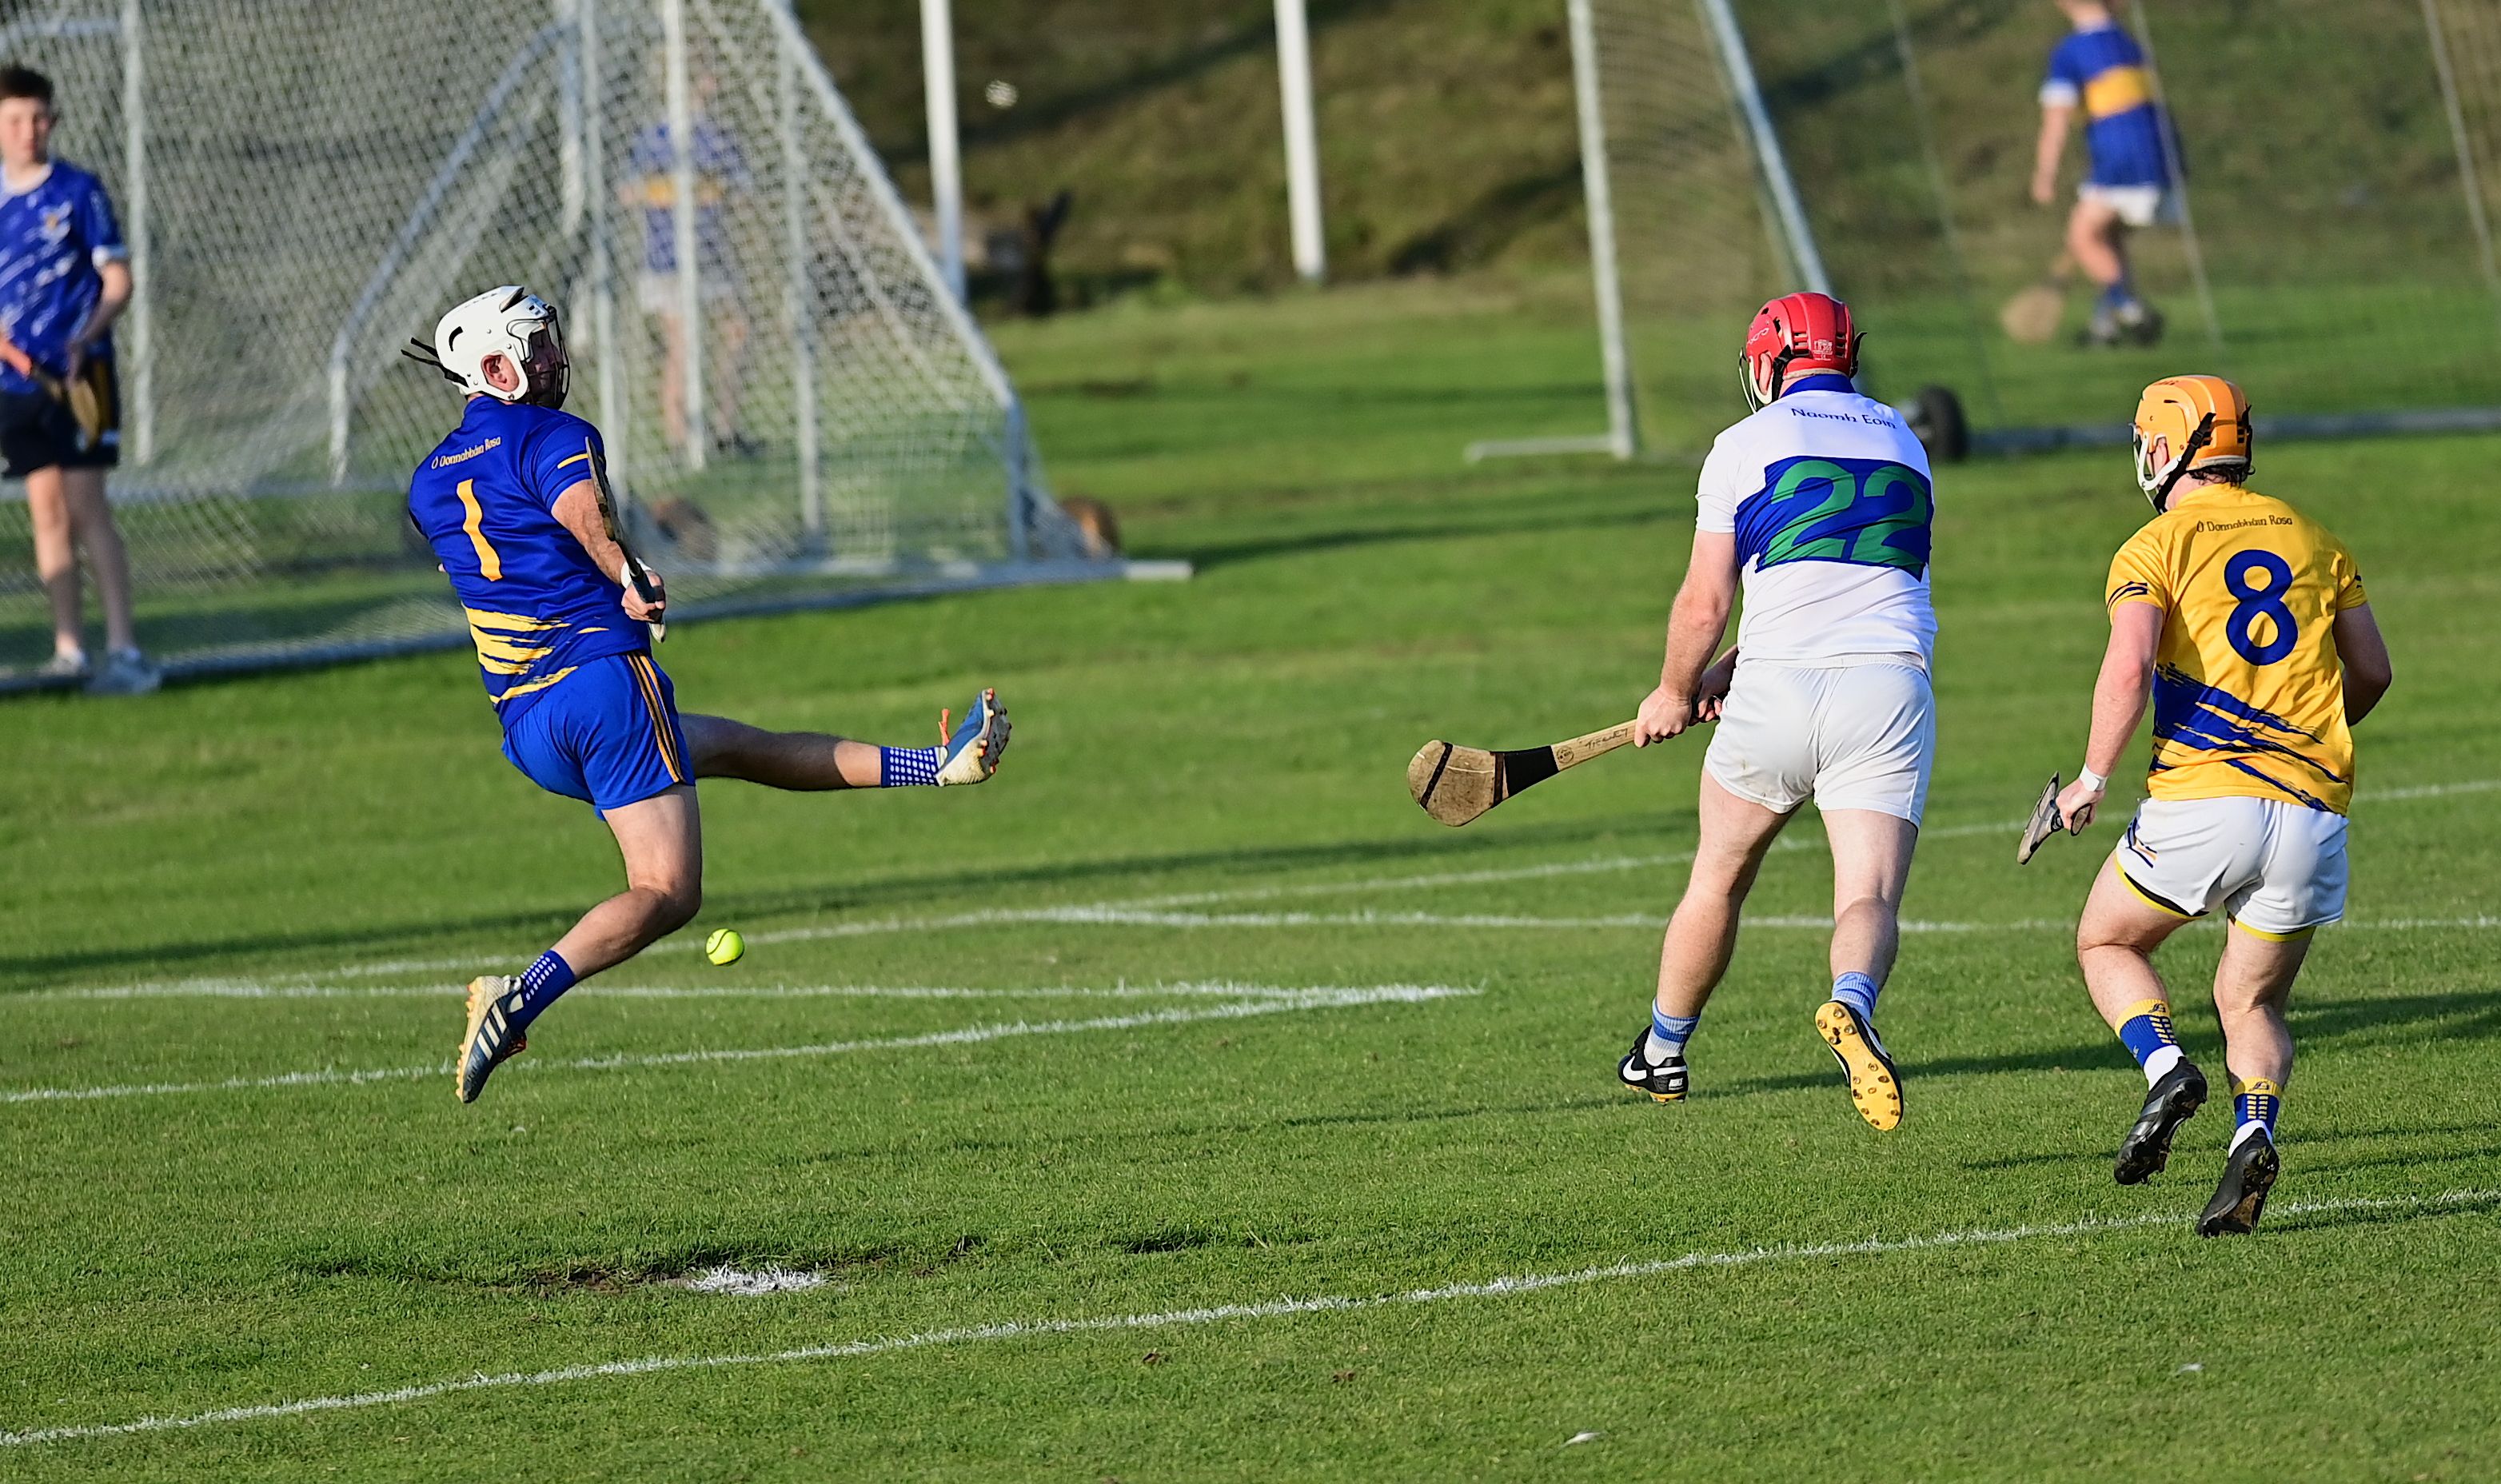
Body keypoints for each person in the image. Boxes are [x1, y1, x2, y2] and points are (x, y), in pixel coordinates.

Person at [406, 286, 1010, 1104]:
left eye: (548, 342)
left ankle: (936, 765)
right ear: (494, 365)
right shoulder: (554, 434)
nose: (552, 359)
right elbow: (581, 515)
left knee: (736, 746)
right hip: (602, 683)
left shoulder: (427, 479)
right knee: (666, 890)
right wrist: (626, 573)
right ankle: (516, 1000)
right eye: (534, 347)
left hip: (529, 723)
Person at [2050, 376, 2391, 1236]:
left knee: (2103, 938)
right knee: (2252, 1003)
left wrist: (2090, 777)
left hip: (2203, 801)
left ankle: (2164, 1066)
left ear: (2162, 450)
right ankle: (2251, 1131)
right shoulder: (2316, 538)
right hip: (2312, 813)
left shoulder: (2151, 544)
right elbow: (2373, 672)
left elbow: (2127, 667)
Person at [1617, 292, 1937, 1132]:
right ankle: (1851, 1002)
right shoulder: (1905, 439)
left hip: (1777, 690)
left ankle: (1661, 1046)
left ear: (1768, 363)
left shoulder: (1740, 444)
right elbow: (1841, 571)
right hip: (1887, 686)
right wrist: (1726, 665)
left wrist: (1674, 689)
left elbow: (1702, 599)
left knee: (1718, 875)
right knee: (1865, 891)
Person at [0, 64, 154, 693]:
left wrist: (82, 338)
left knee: (88, 506)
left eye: (39, 119)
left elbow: (118, 282)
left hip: (80, 380)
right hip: (15, 388)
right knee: (46, 512)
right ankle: (70, 651)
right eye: (14, 120)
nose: (28, 131)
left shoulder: (78, 193)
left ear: (53, 122)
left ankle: (124, 651)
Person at [2031, 0, 2178, 348]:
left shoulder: (2071, 52)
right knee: (2108, 239)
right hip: (2159, 155)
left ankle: (2130, 310)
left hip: (2121, 159)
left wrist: (2045, 174)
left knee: (2083, 237)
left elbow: (2057, 119)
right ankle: (2105, 325)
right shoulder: (2129, 43)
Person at [626, 70, 753, 459]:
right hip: (668, 261)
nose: (712, 83)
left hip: (709, 256)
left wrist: (712, 190)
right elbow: (629, 192)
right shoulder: (656, 136)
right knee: (681, 346)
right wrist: (675, 190)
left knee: (739, 330)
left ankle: (726, 430)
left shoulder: (716, 136)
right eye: (702, 74)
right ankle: (679, 439)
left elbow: (740, 188)